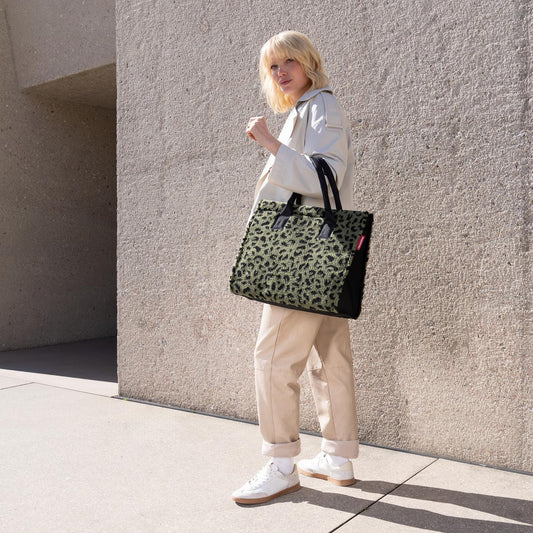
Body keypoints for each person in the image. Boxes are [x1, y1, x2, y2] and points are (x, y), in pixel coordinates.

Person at [232, 30, 359, 505]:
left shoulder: (320, 106)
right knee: (330, 357)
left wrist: (269, 142)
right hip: (325, 254)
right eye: (272, 67)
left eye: (288, 61)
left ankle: (281, 464)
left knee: (272, 359)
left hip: (302, 256)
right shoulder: (308, 110)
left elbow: (327, 174)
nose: (280, 72)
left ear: (308, 62)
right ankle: (337, 457)